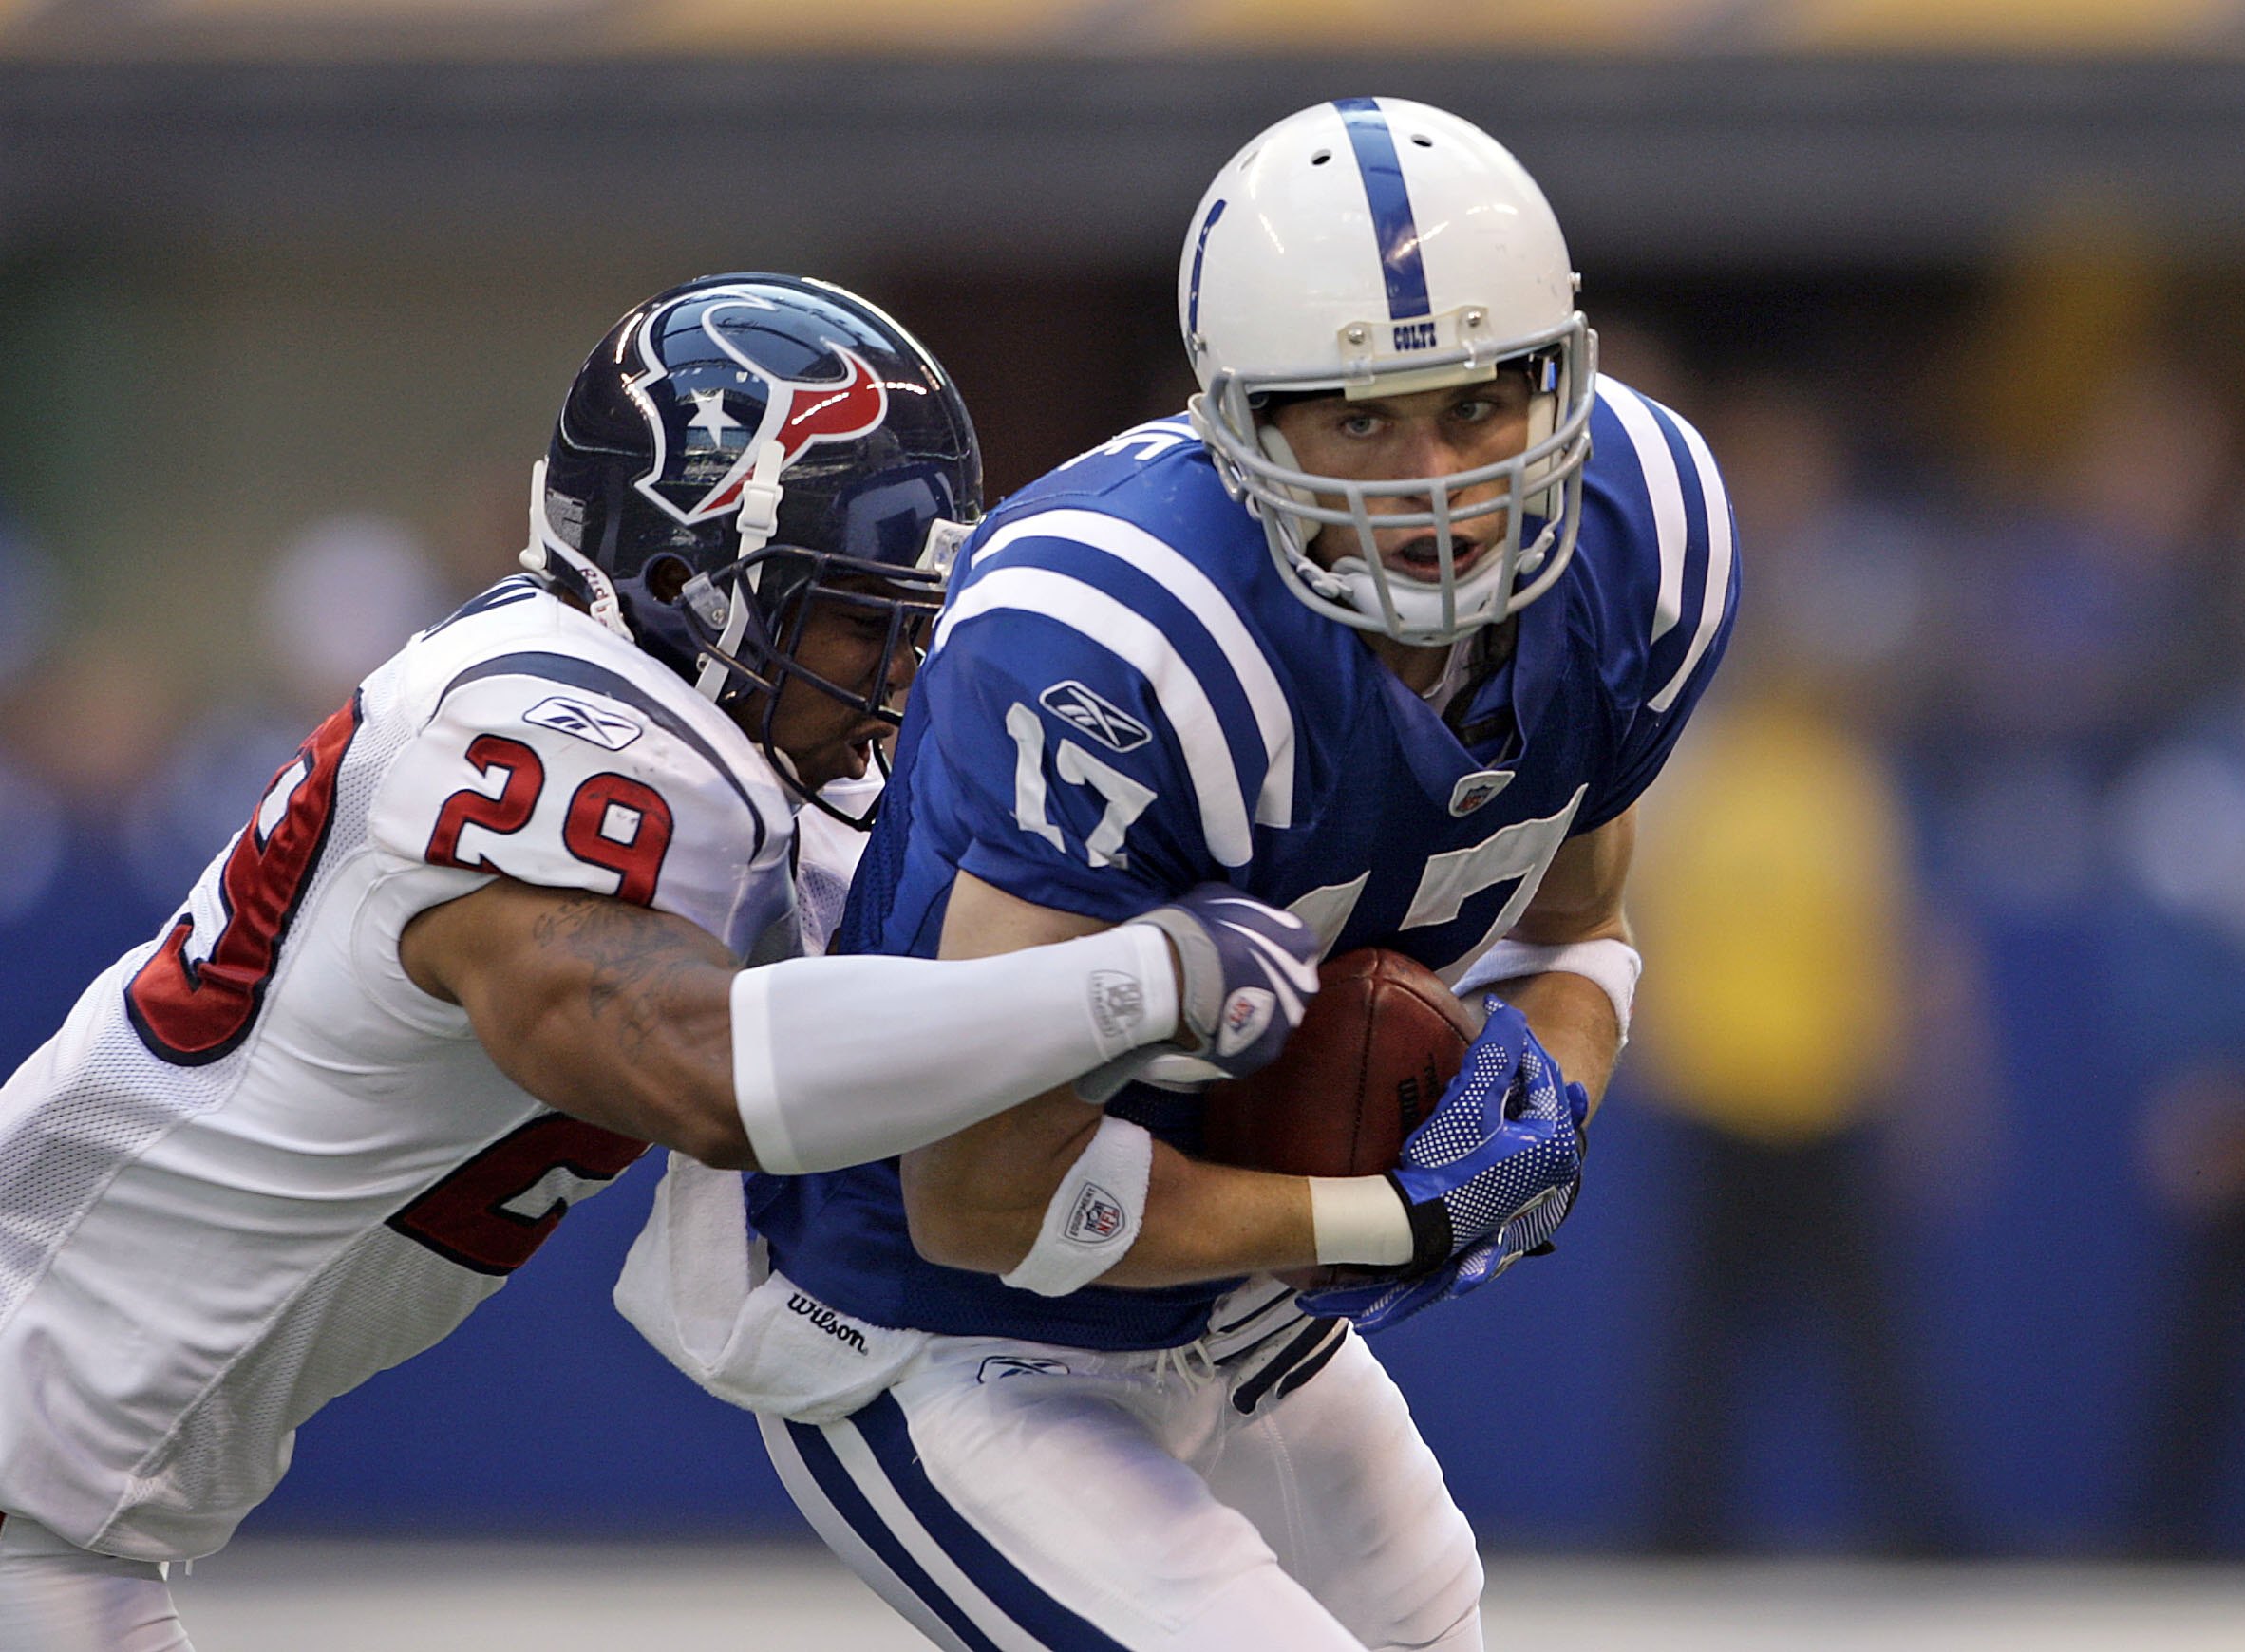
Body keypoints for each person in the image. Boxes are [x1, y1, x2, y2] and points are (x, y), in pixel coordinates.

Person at [0, 273, 1318, 1652]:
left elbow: (941, 1005)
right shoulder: (538, 722)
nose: (902, 673)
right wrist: (1144, 982)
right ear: (688, 582)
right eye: (865, 621)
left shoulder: (747, 763)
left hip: (79, 1522)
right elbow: (713, 1075)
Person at [621, 101, 1739, 1649]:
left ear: (1562, 376)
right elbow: (982, 1201)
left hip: (1248, 1309)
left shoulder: (1642, 536)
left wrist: (1543, 1104)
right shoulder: (1120, 641)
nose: (1436, 482)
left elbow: (1581, 922)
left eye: (1480, 404)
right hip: (948, 1327)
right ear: (1240, 424)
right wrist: (1391, 1216)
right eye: (1359, 420)